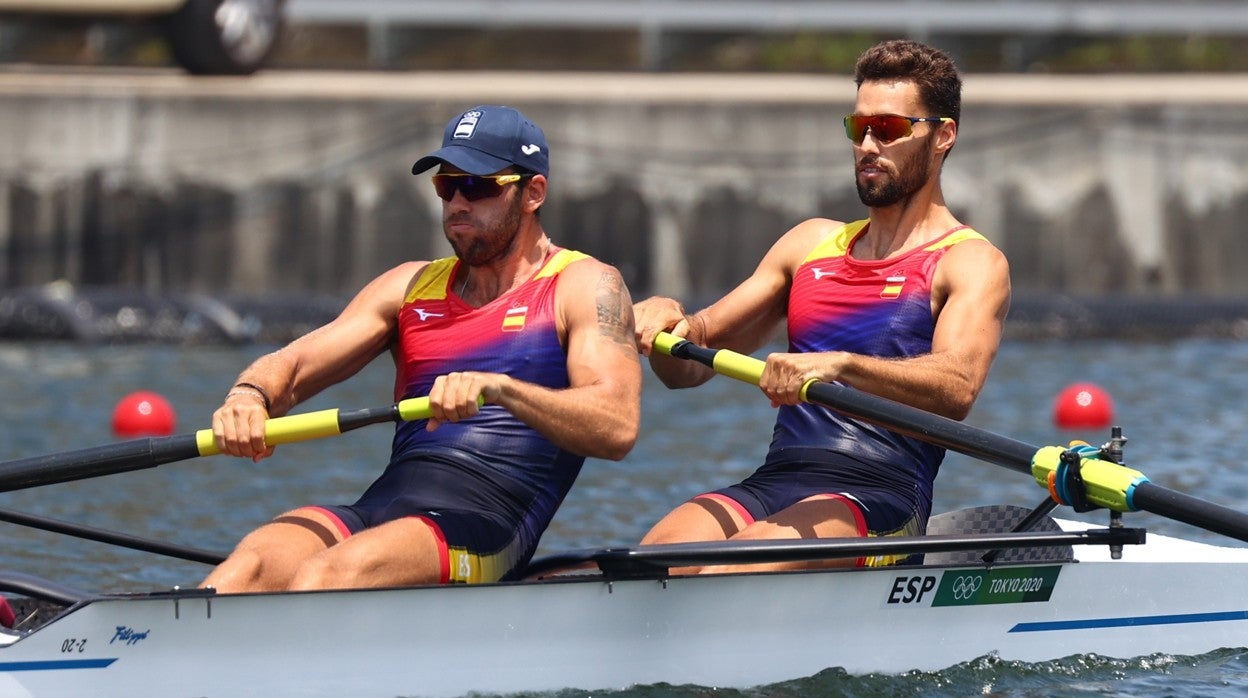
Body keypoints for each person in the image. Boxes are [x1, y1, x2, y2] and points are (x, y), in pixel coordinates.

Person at [202, 105, 641, 592]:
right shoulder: (410, 286)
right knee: (248, 569)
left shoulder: (582, 285)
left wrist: (504, 391)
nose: (457, 202)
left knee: (328, 574)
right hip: (384, 507)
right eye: (446, 185)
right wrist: (248, 396)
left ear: (532, 193)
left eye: (477, 186)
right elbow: (294, 363)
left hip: (486, 527)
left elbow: (617, 424)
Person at [633, 39, 1010, 572]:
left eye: (890, 129)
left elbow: (957, 388)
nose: (869, 146)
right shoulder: (809, 245)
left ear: (943, 135)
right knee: (646, 567)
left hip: (881, 497)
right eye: (859, 129)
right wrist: (664, 317)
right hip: (776, 480)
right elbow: (683, 369)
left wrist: (841, 366)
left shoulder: (969, 262)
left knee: (731, 568)